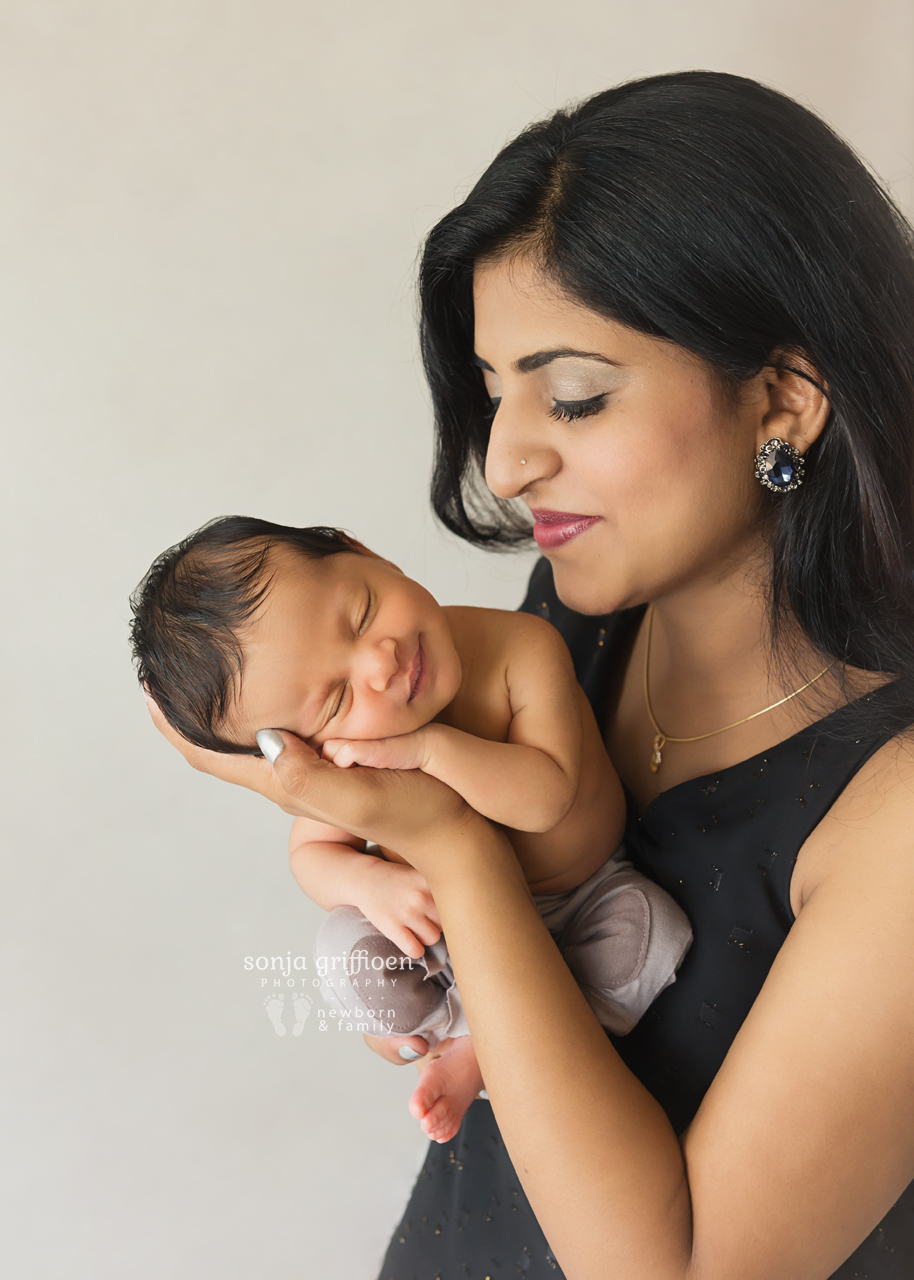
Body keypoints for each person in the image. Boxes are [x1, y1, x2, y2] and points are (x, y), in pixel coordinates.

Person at [146, 71, 914, 1279]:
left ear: (783, 396)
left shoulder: (895, 813)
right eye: (495, 390)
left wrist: (446, 844)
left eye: (571, 394)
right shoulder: (581, 609)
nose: (503, 459)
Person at [130, 516, 692, 1144]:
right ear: (298, 748)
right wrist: (370, 882)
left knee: (654, 930)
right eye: (337, 700)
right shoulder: (344, 763)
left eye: (361, 612)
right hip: (452, 939)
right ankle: (437, 1023)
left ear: (361, 550)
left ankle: (482, 1046)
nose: (380, 660)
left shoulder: (520, 648)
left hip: (588, 896)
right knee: (342, 949)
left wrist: (431, 752)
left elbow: (547, 797)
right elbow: (311, 854)